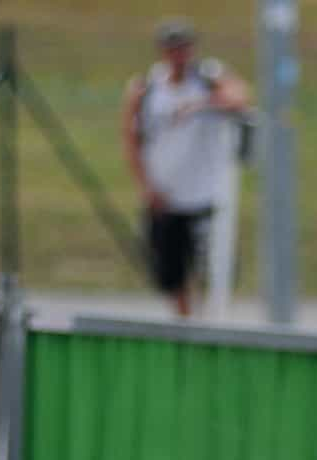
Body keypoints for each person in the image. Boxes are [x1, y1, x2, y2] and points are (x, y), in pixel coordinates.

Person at [122, 20, 250, 317]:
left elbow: (239, 98)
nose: (178, 54)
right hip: (166, 195)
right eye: (172, 48)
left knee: (209, 269)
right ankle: (185, 324)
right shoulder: (146, 88)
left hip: (204, 195)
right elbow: (130, 139)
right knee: (171, 273)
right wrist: (146, 187)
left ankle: (208, 321)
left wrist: (199, 105)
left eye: (183, 47)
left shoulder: (207, 78)